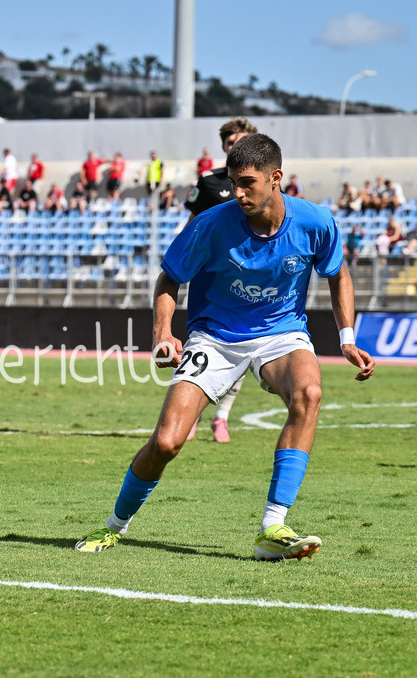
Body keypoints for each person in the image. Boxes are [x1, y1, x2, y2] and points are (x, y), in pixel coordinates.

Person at [75, 133, 375, 561]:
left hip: (281, 334)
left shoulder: (315, 221)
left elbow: (338, 274)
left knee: (309, 393)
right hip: (214, 337)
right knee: (166, 443)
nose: (237, 192)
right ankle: (113, 526)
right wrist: (163, 333)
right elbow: (169, 279)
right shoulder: (211, 224)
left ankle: (273, 527)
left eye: (246, 182)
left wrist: (347, 338)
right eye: (233, 182)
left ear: (276, 178)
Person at [184, 117, 258, 443]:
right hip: (208, 275)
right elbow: (191, 224)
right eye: (229, 143)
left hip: (247, 275)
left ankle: (222, 417)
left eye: (239, 142)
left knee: (242, 344)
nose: (233, 147)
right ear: (224, 147)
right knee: (201, 339)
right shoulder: (209, 182)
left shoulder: (263, 183)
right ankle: (191, 412)